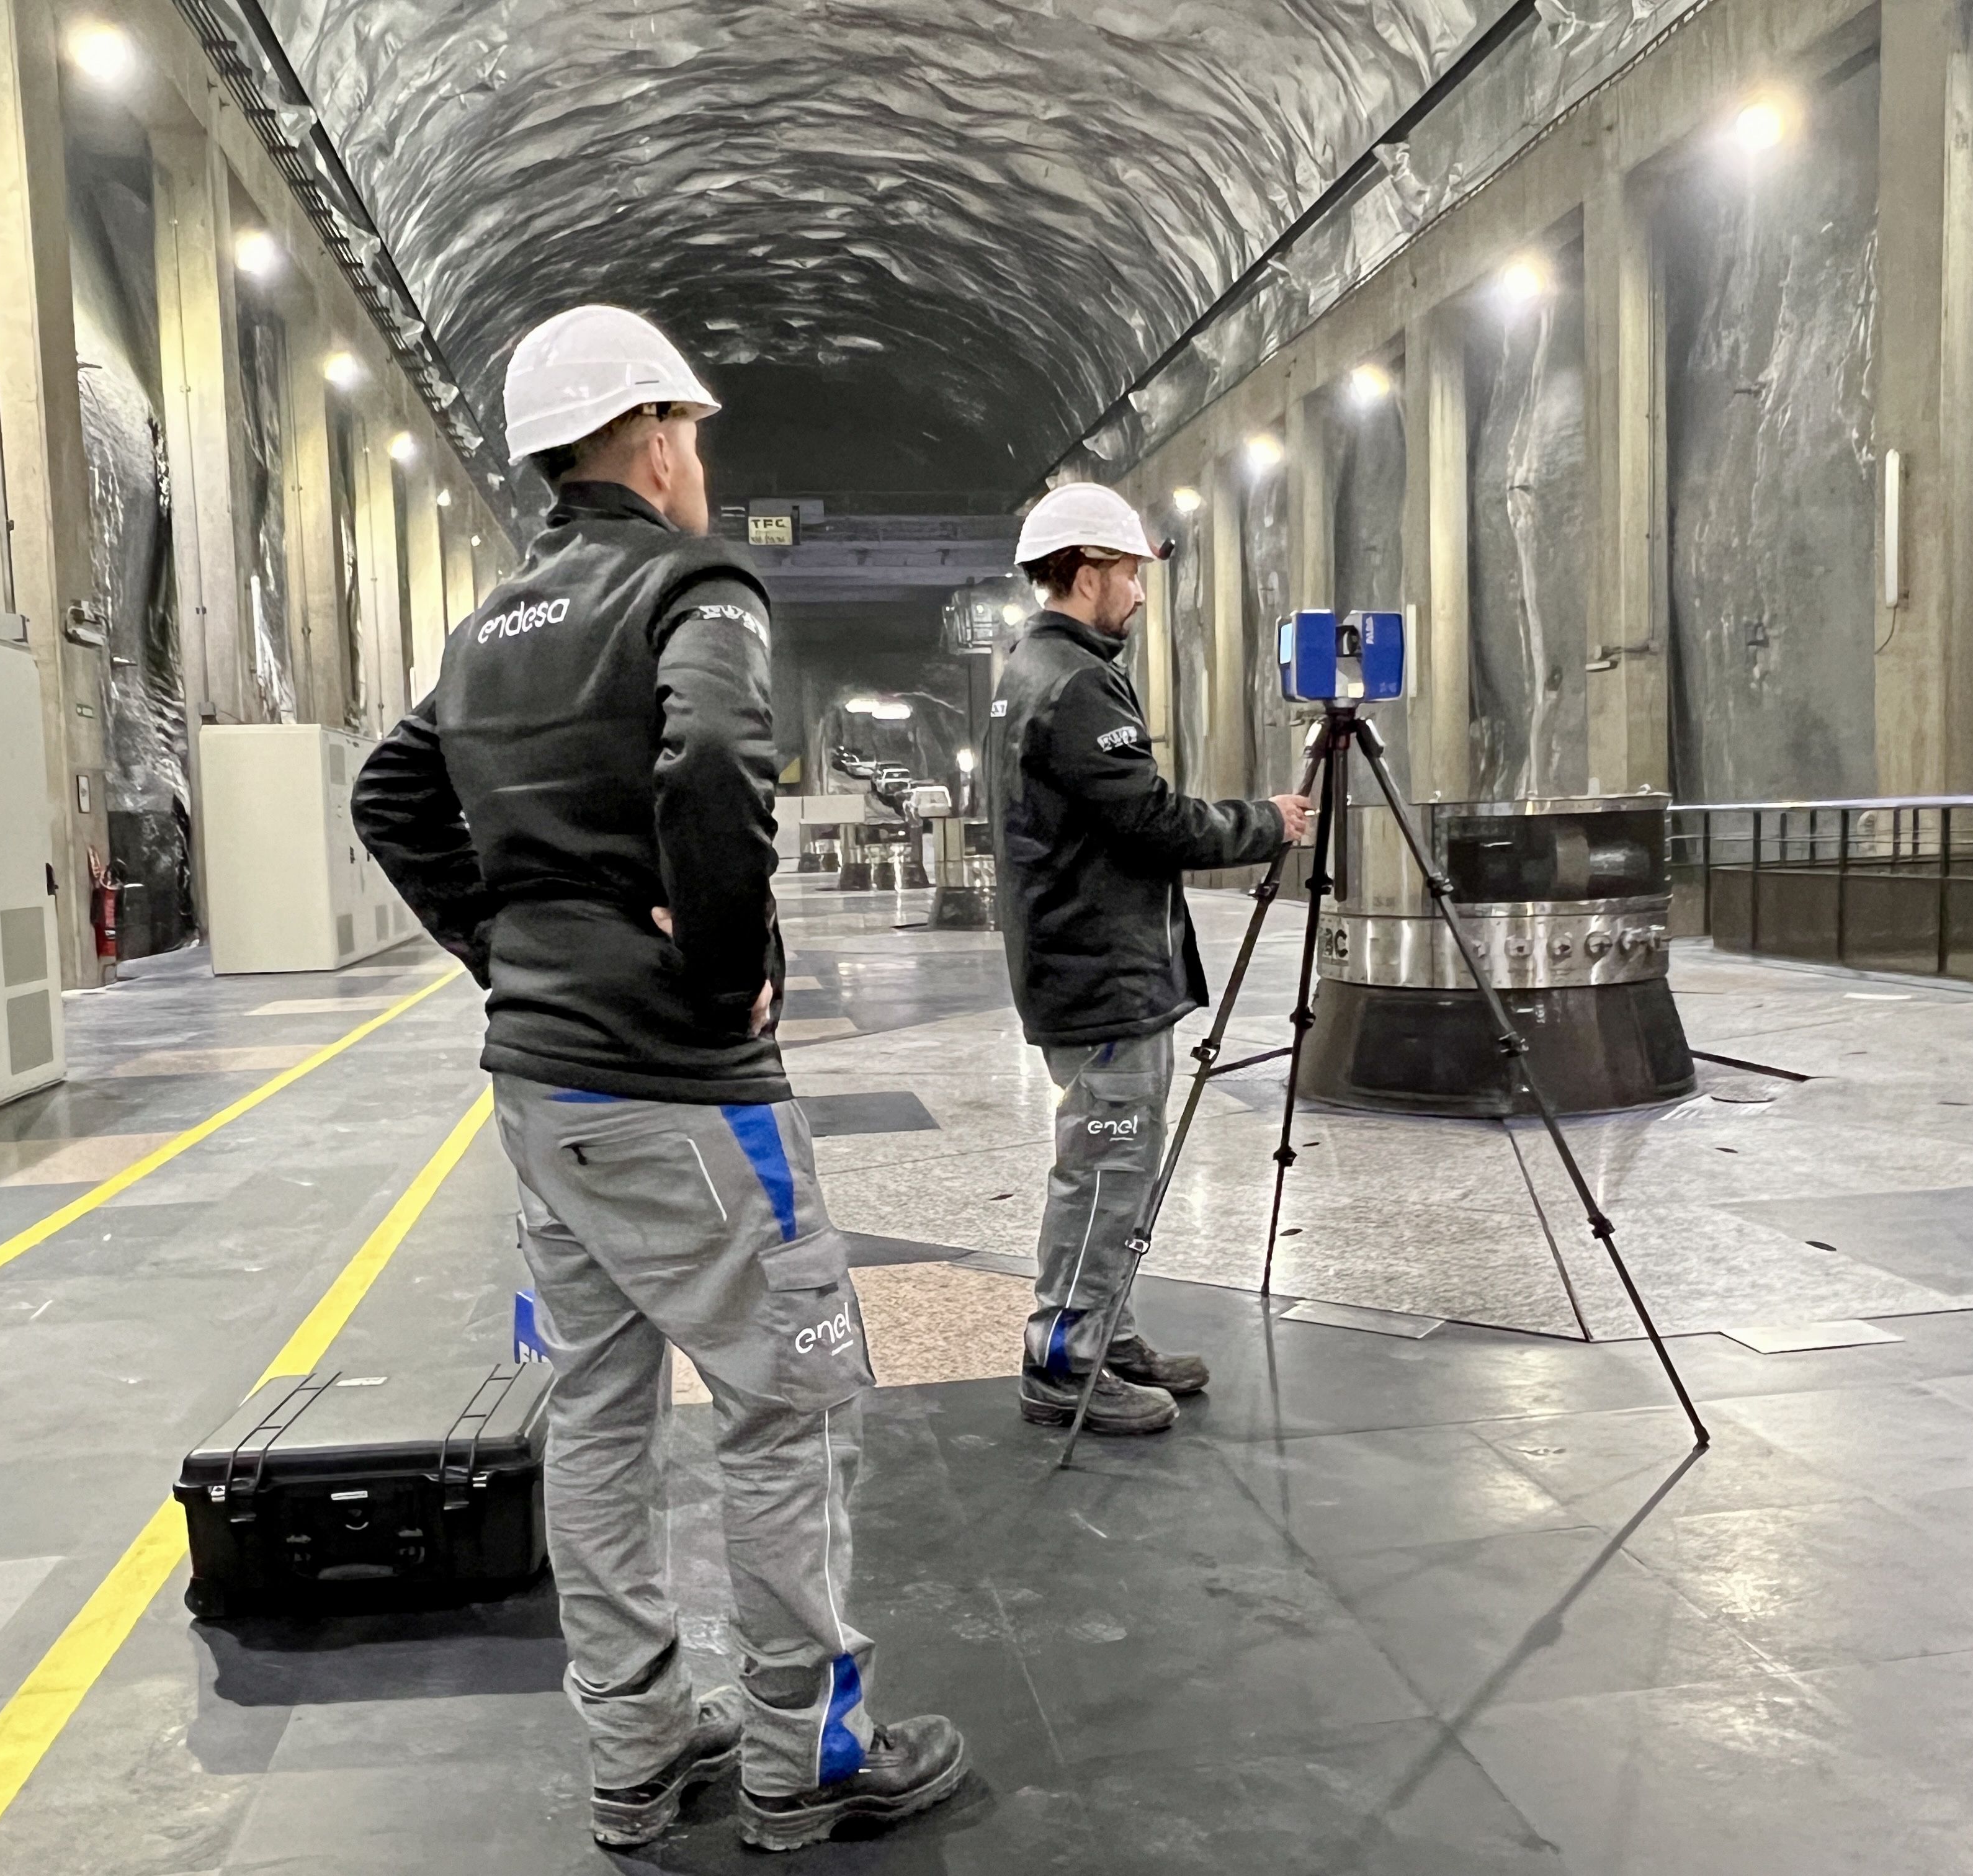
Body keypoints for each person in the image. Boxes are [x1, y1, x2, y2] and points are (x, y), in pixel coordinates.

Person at [352, 305, 964, 1854]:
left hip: (543, 1090)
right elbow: (708, 761)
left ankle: (635, 1746)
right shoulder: (692, 587)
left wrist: (506, 947)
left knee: (603, 1410)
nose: (702, 457)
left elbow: (392, 789)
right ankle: (805, 1754)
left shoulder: (489, 630)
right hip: (682, 1092)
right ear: (656, 438)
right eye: (693, 431)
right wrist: (715, 967)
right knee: (788, 1403)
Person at [984, 482, 1313, 1435]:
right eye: (1128, 572)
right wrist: (1267, 821)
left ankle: (1105, 1330)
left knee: (1113, 1166)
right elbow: (1149, 819)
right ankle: (1063, 1358)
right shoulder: (1074, 680)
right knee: (1103, 1166)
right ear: (1087, 571)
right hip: (1100, 975)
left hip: (1079, 964)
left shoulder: (1032, 667)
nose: (1137, 591)